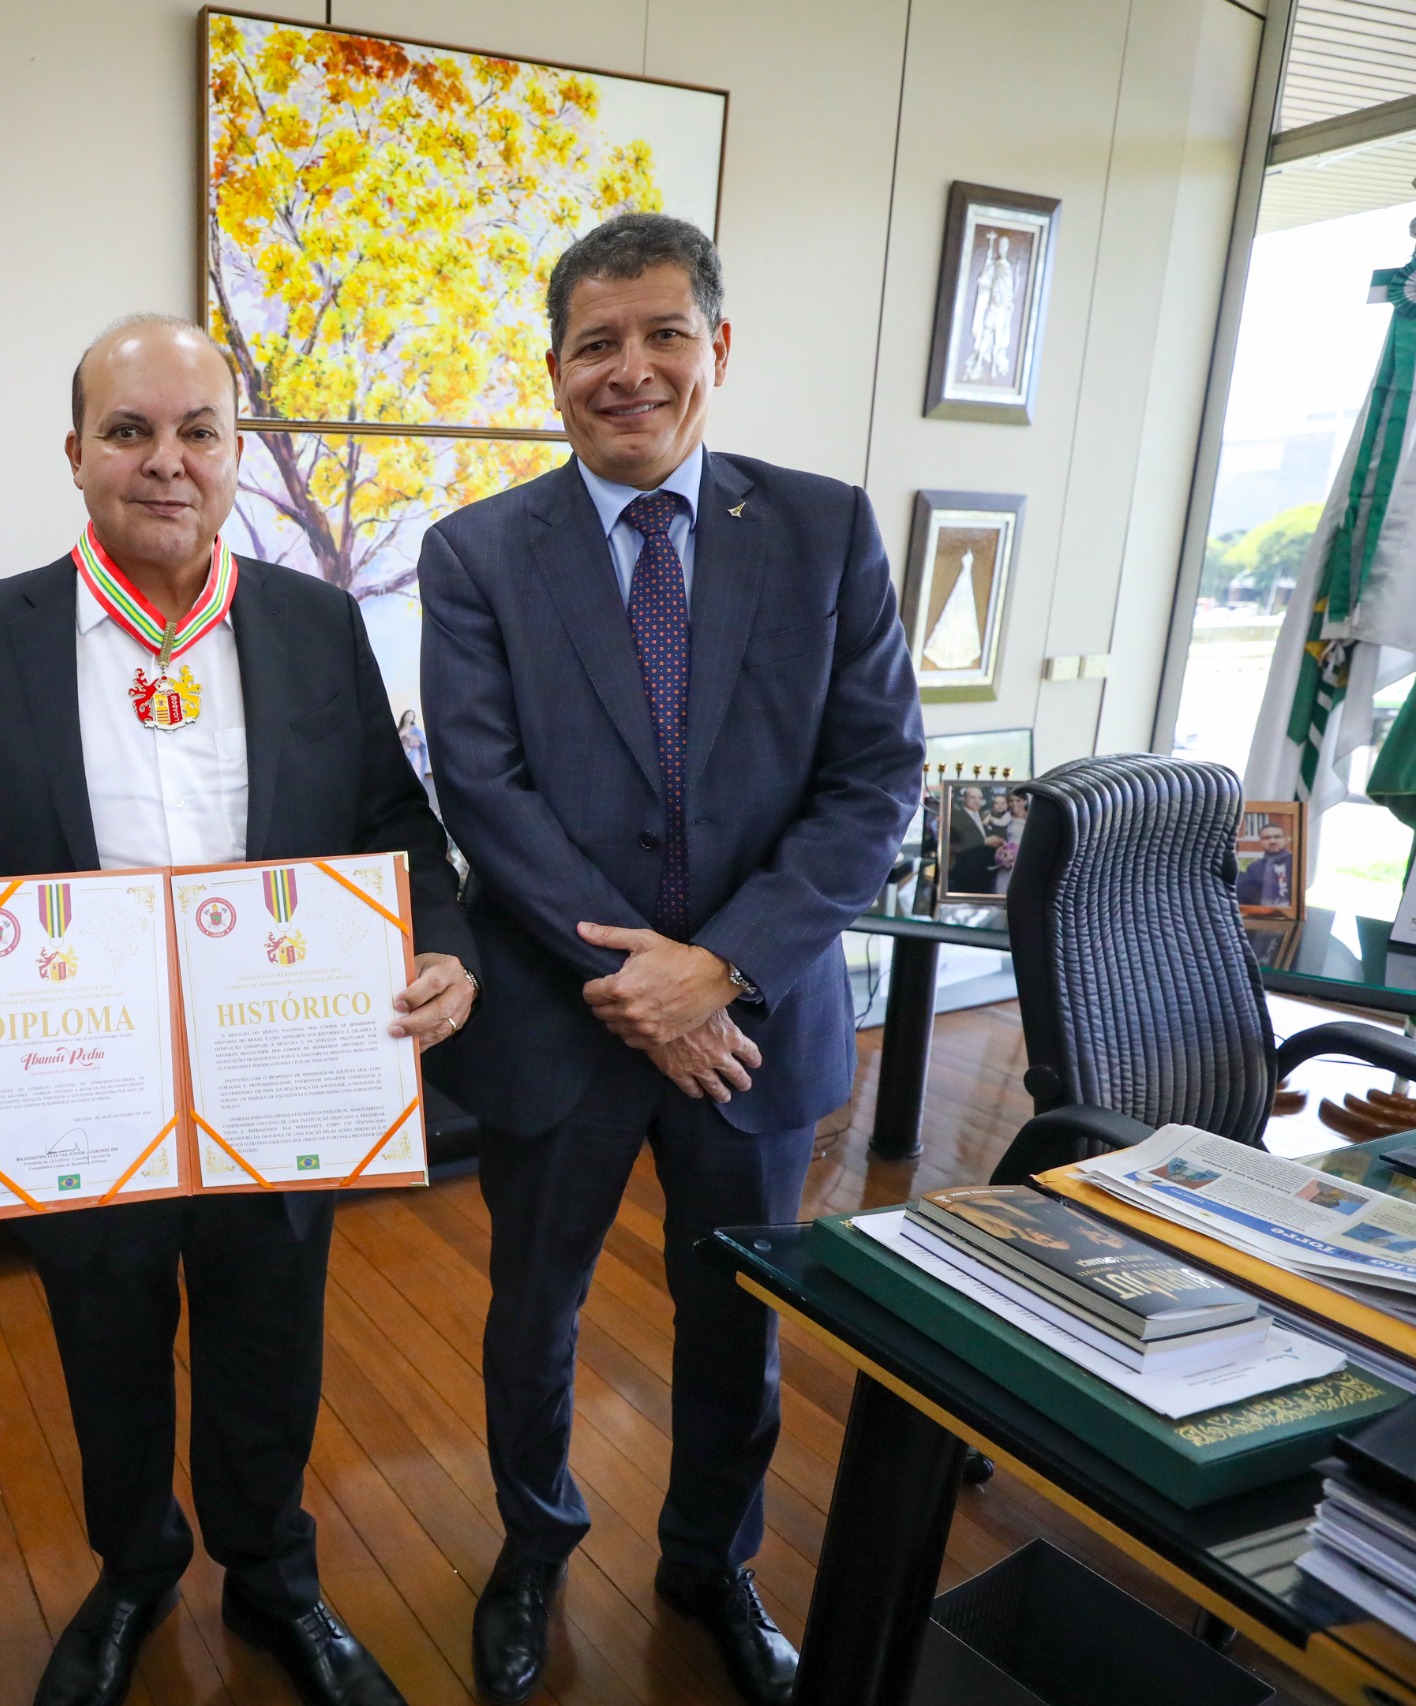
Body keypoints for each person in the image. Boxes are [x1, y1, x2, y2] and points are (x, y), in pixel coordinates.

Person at [0, 315, 476, 1706]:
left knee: (269, 1349)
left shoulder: (315, 624)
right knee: (110, 1355)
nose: (167, 460)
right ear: (75, 455)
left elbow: (397, 822)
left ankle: (272, 1581)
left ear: (238, 452)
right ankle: (134, 1571)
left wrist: (444, 944)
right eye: (130, 431)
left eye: (199, 430)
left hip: (281, 1081)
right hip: (83, 1089)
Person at [418, 214, 924, 1706]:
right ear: (554, 367)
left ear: (718, 348)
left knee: (738, 1319)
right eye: (595, 344)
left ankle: (711, 1559)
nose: (629, 370)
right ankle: (533, 1541)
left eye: (661, 335)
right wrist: (647, 990)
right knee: (536, 1314)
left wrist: (724, 967)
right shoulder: (476, 554)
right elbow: (483, 791)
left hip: (754, 1024)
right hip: (560, 1024)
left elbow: (875, 775)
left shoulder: (826, 528)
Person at [1236, 817, 1295, 912]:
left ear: (1285, 840)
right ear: (1260, 842)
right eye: (1267, 838)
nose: (1272, 841)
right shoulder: (1254, 868)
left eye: (1277, 837)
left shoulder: (1295, 863)